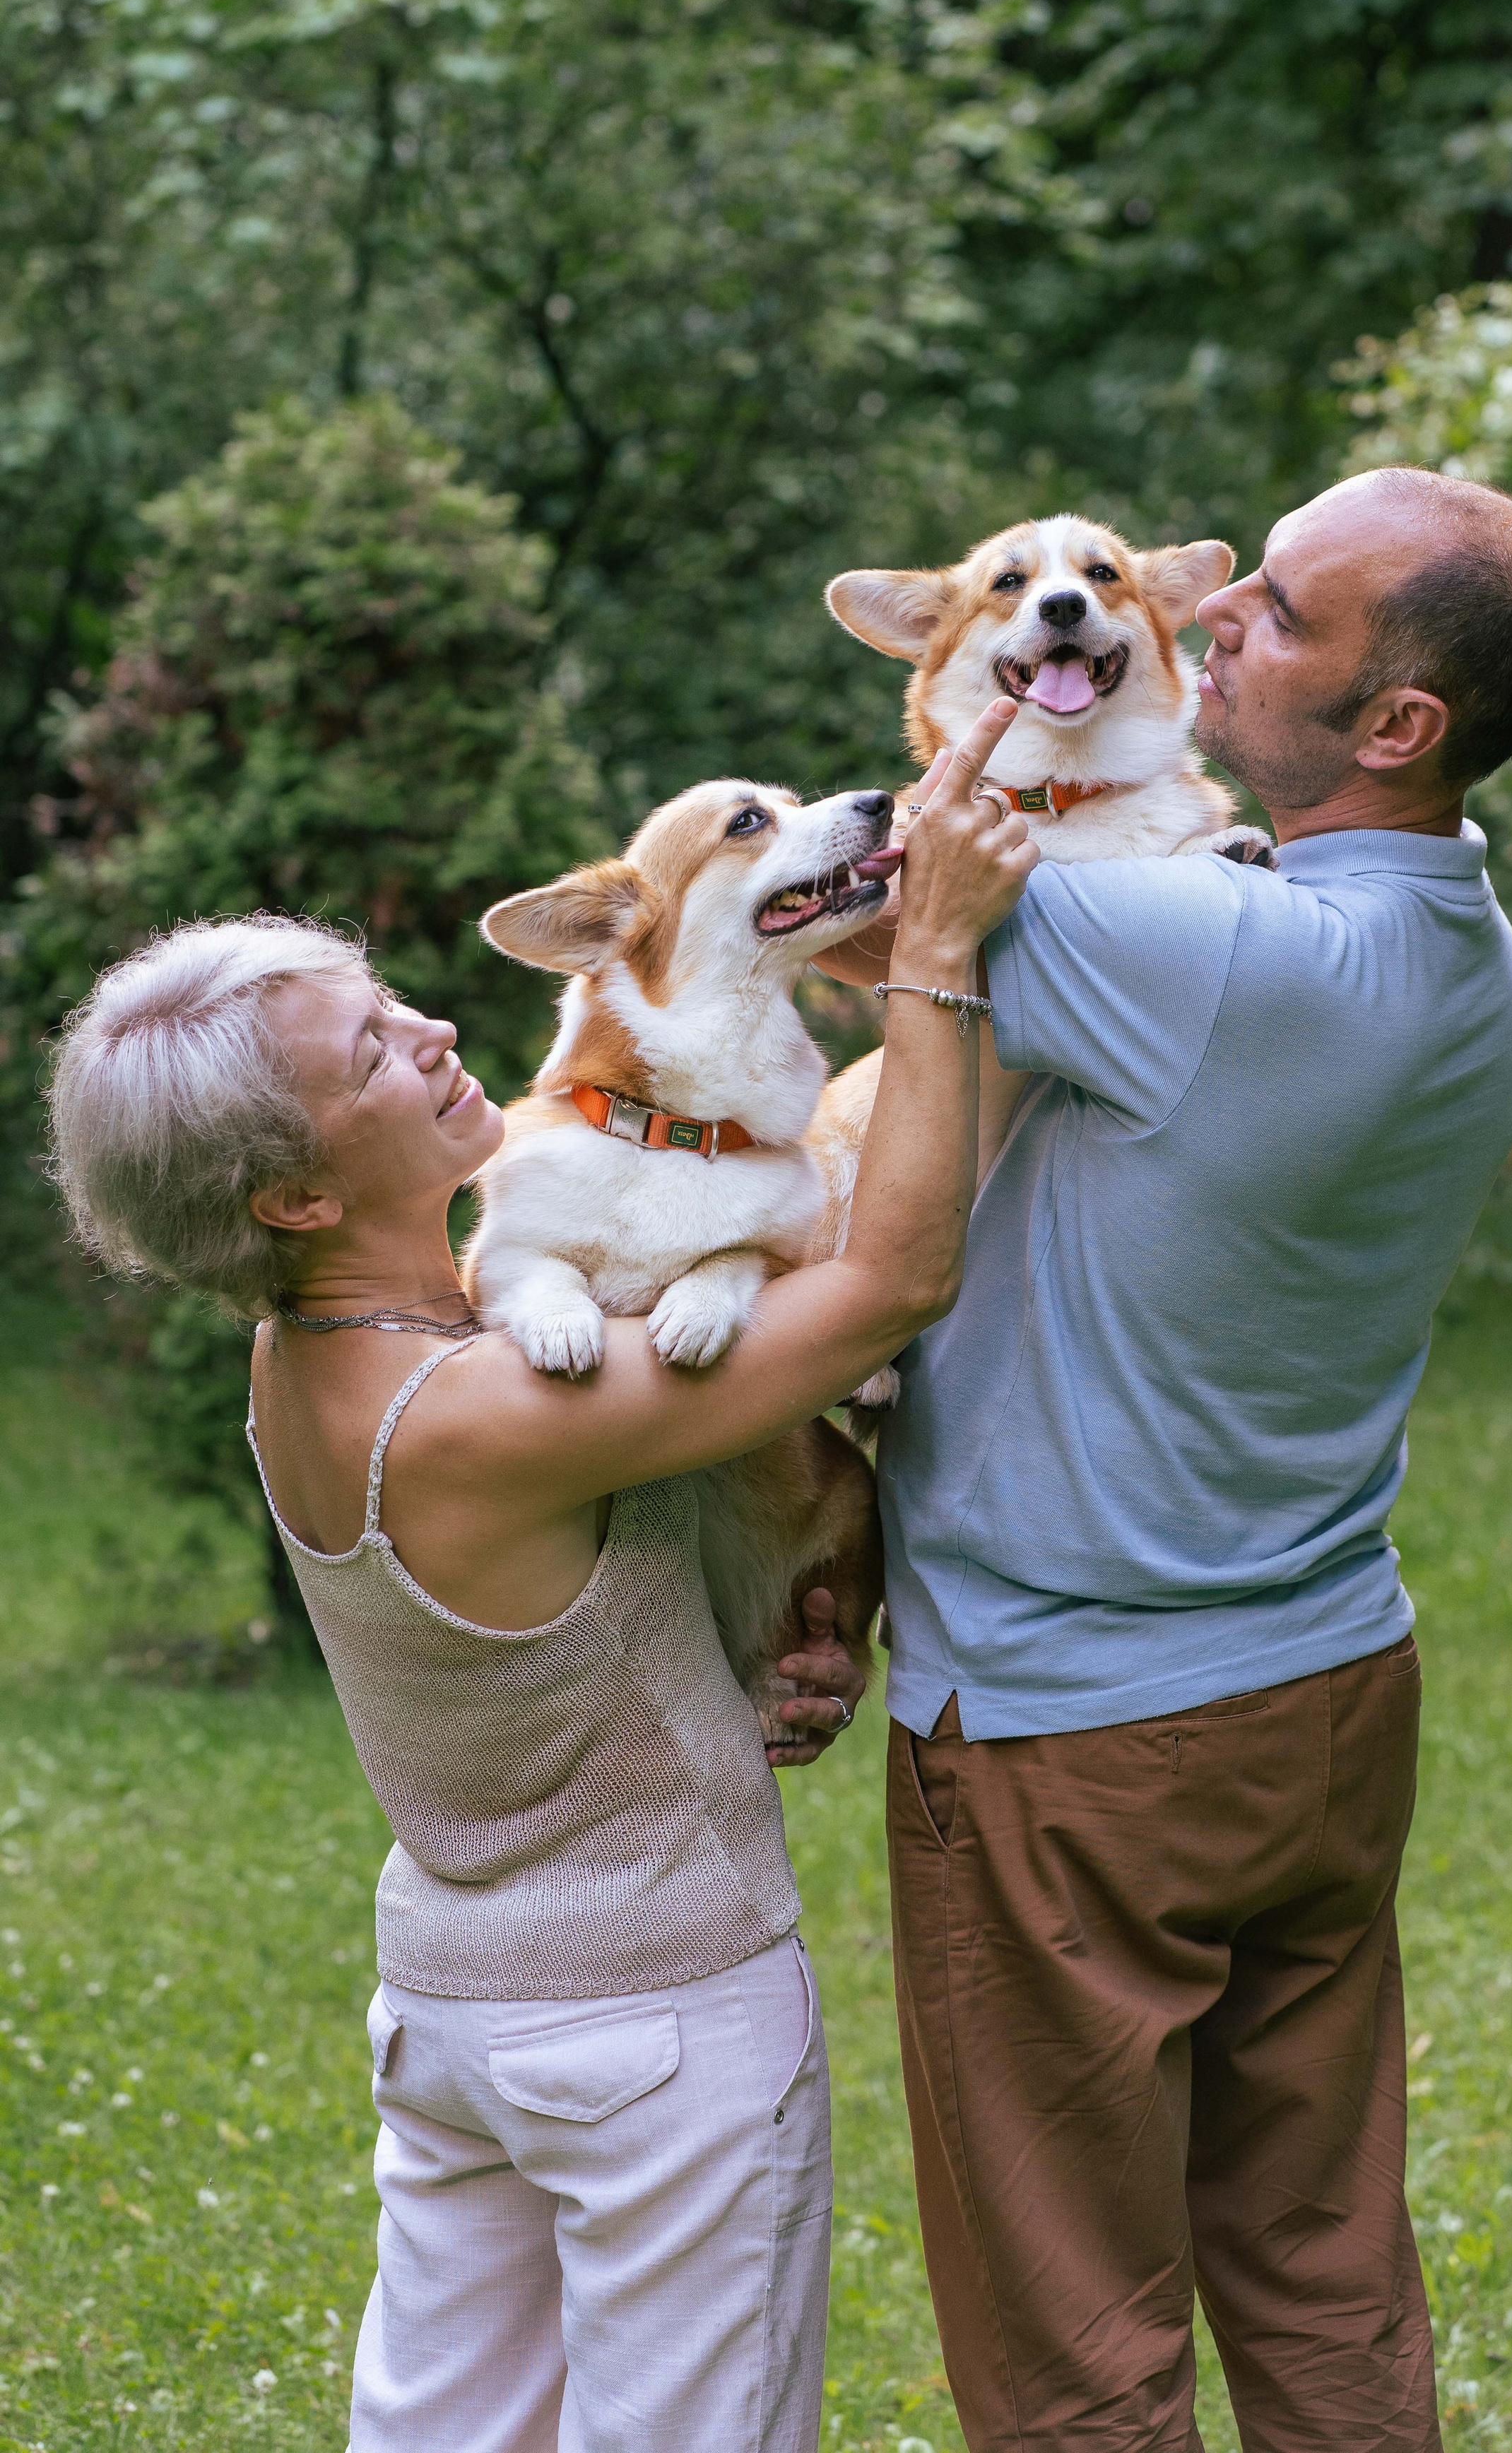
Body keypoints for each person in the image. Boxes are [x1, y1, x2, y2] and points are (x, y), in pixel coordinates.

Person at [45, 704, 1036, 2453]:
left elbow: (577, 1605)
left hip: (452, 2010)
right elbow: (883, 1282)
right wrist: (935, 950)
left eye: (390, 1006)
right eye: (371, 1059)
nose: (435, 1034)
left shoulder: (317, 1356)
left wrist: (734, 1657)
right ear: (285, 1196)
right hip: (649, 2031)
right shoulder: (484, 1411)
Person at [821, 467, 1512, 2452]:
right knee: (1328, 2280)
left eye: (1282, 617)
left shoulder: (1193, 955)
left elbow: (835, 904)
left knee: (1076, 2338)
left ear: (1397, 723)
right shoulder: (1470, 958)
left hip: (1079, 1736)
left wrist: (952, 765)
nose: (1213, 613)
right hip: (1326, 1693)